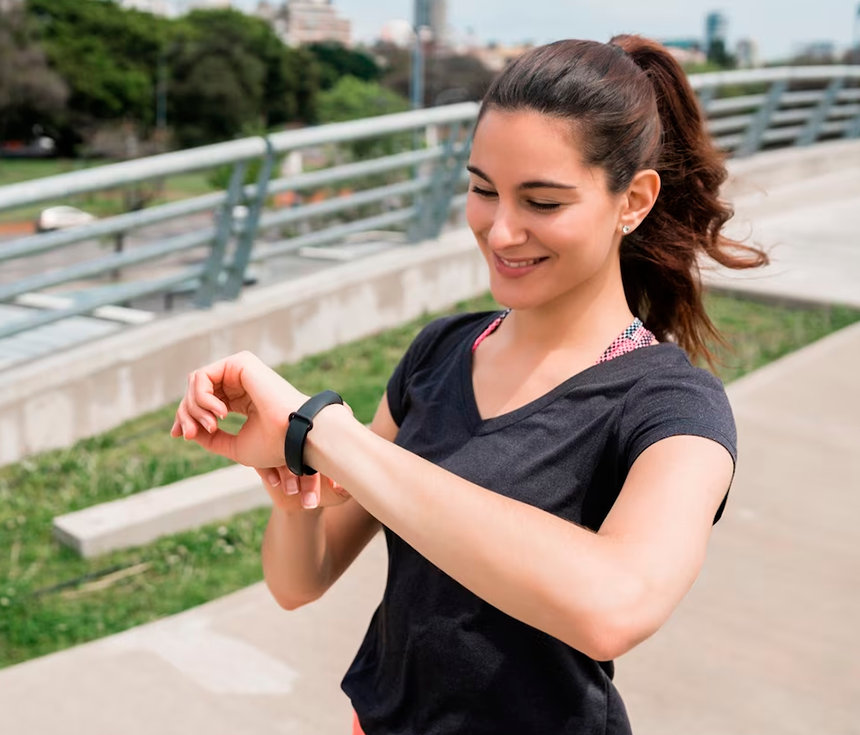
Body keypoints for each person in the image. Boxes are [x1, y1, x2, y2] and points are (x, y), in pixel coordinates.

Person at [169, 34, 767, 735]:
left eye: (542, 202)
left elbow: (616, 605)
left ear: (632, 200)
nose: (501, 229)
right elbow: (301, 580)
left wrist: (322, 432)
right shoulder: (442, 351)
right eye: (483, 189)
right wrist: (291, 476)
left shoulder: (673, 406)